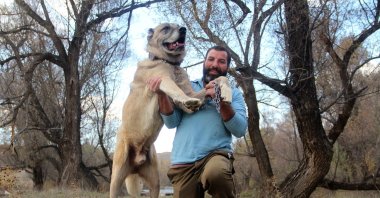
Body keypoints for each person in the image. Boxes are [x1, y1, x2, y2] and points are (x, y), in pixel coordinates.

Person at [147, 45, 248, 198]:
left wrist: (221, 101)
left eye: (221, 61)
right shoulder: (186, 88)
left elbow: (240, 129)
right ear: (204, 62)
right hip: (183, 162)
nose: (215, 64)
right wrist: (162, 95)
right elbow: (171, 122)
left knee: (217, 173)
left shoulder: (233, 94)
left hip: (215, 155)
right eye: (211, 59)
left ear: (227, 67)